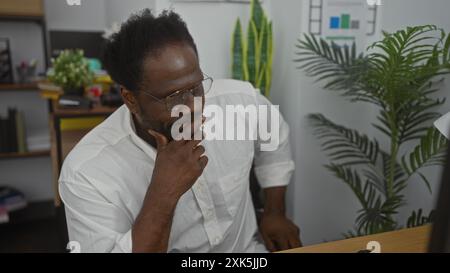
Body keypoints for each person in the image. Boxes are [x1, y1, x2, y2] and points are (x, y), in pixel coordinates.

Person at [59, 9, 300, 253]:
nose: (193, 107)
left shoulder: (238, 102)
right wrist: (163, 193)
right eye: (174, 97)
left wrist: (274, 212)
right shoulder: (86, 173)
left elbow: (274, 135)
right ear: (130, 99)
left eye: (196, 87)